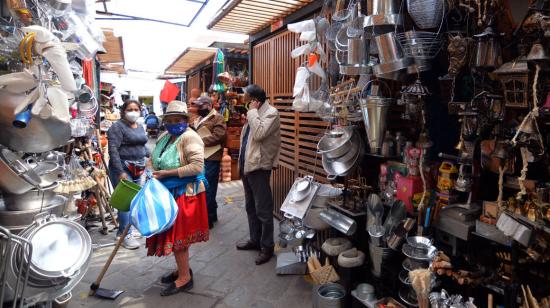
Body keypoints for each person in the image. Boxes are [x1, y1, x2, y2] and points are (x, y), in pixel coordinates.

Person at [146, 100, 209, 296]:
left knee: (179, 239)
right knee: (174, 237)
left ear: (185, 120)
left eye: (177, 119)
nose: (173, 123)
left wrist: (167, 173)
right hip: (167, 192)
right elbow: (153, 158)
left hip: (185, 193)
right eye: (169, 120)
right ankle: (181, 270)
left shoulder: (190, 137)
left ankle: (185, 278)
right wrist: (150, 170)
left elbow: (197, 167)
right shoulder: (166, 137)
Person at [235, 84, 281, 265]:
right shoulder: (252, 112)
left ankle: (267, 247)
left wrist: (252, 112)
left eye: (246, 96)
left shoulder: (271, 112)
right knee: (250, 206)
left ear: (255, 99)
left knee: (263, 209)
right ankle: (255, 240)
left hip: (260, 167)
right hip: (248, 165)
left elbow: (260, 134)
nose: (243, 98)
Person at [107, 100, 148, 250]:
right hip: (123, 168)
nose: (133, 112)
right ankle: (123, 235)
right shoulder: (117, 127)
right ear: (123, 111)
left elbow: (142, 144)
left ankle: (129, 229)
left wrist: (150, 157)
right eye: (130, 109)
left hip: (139, 167)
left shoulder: (140, 126)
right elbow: (113, 151)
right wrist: (120, 171)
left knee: (135, 201)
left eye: (136, 109)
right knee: (125, 203)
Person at [192, 96, 227, 229]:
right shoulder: (199, 119)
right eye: (198, 106)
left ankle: (207, 218)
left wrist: (200, 141)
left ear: (209, 105)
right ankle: (211, 214)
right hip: (201, 156)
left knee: (209, 187)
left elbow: (219, 135)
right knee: (204, 186)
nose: (198, 109)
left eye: (201, 106)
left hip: (212, 157)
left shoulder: (217, 118)